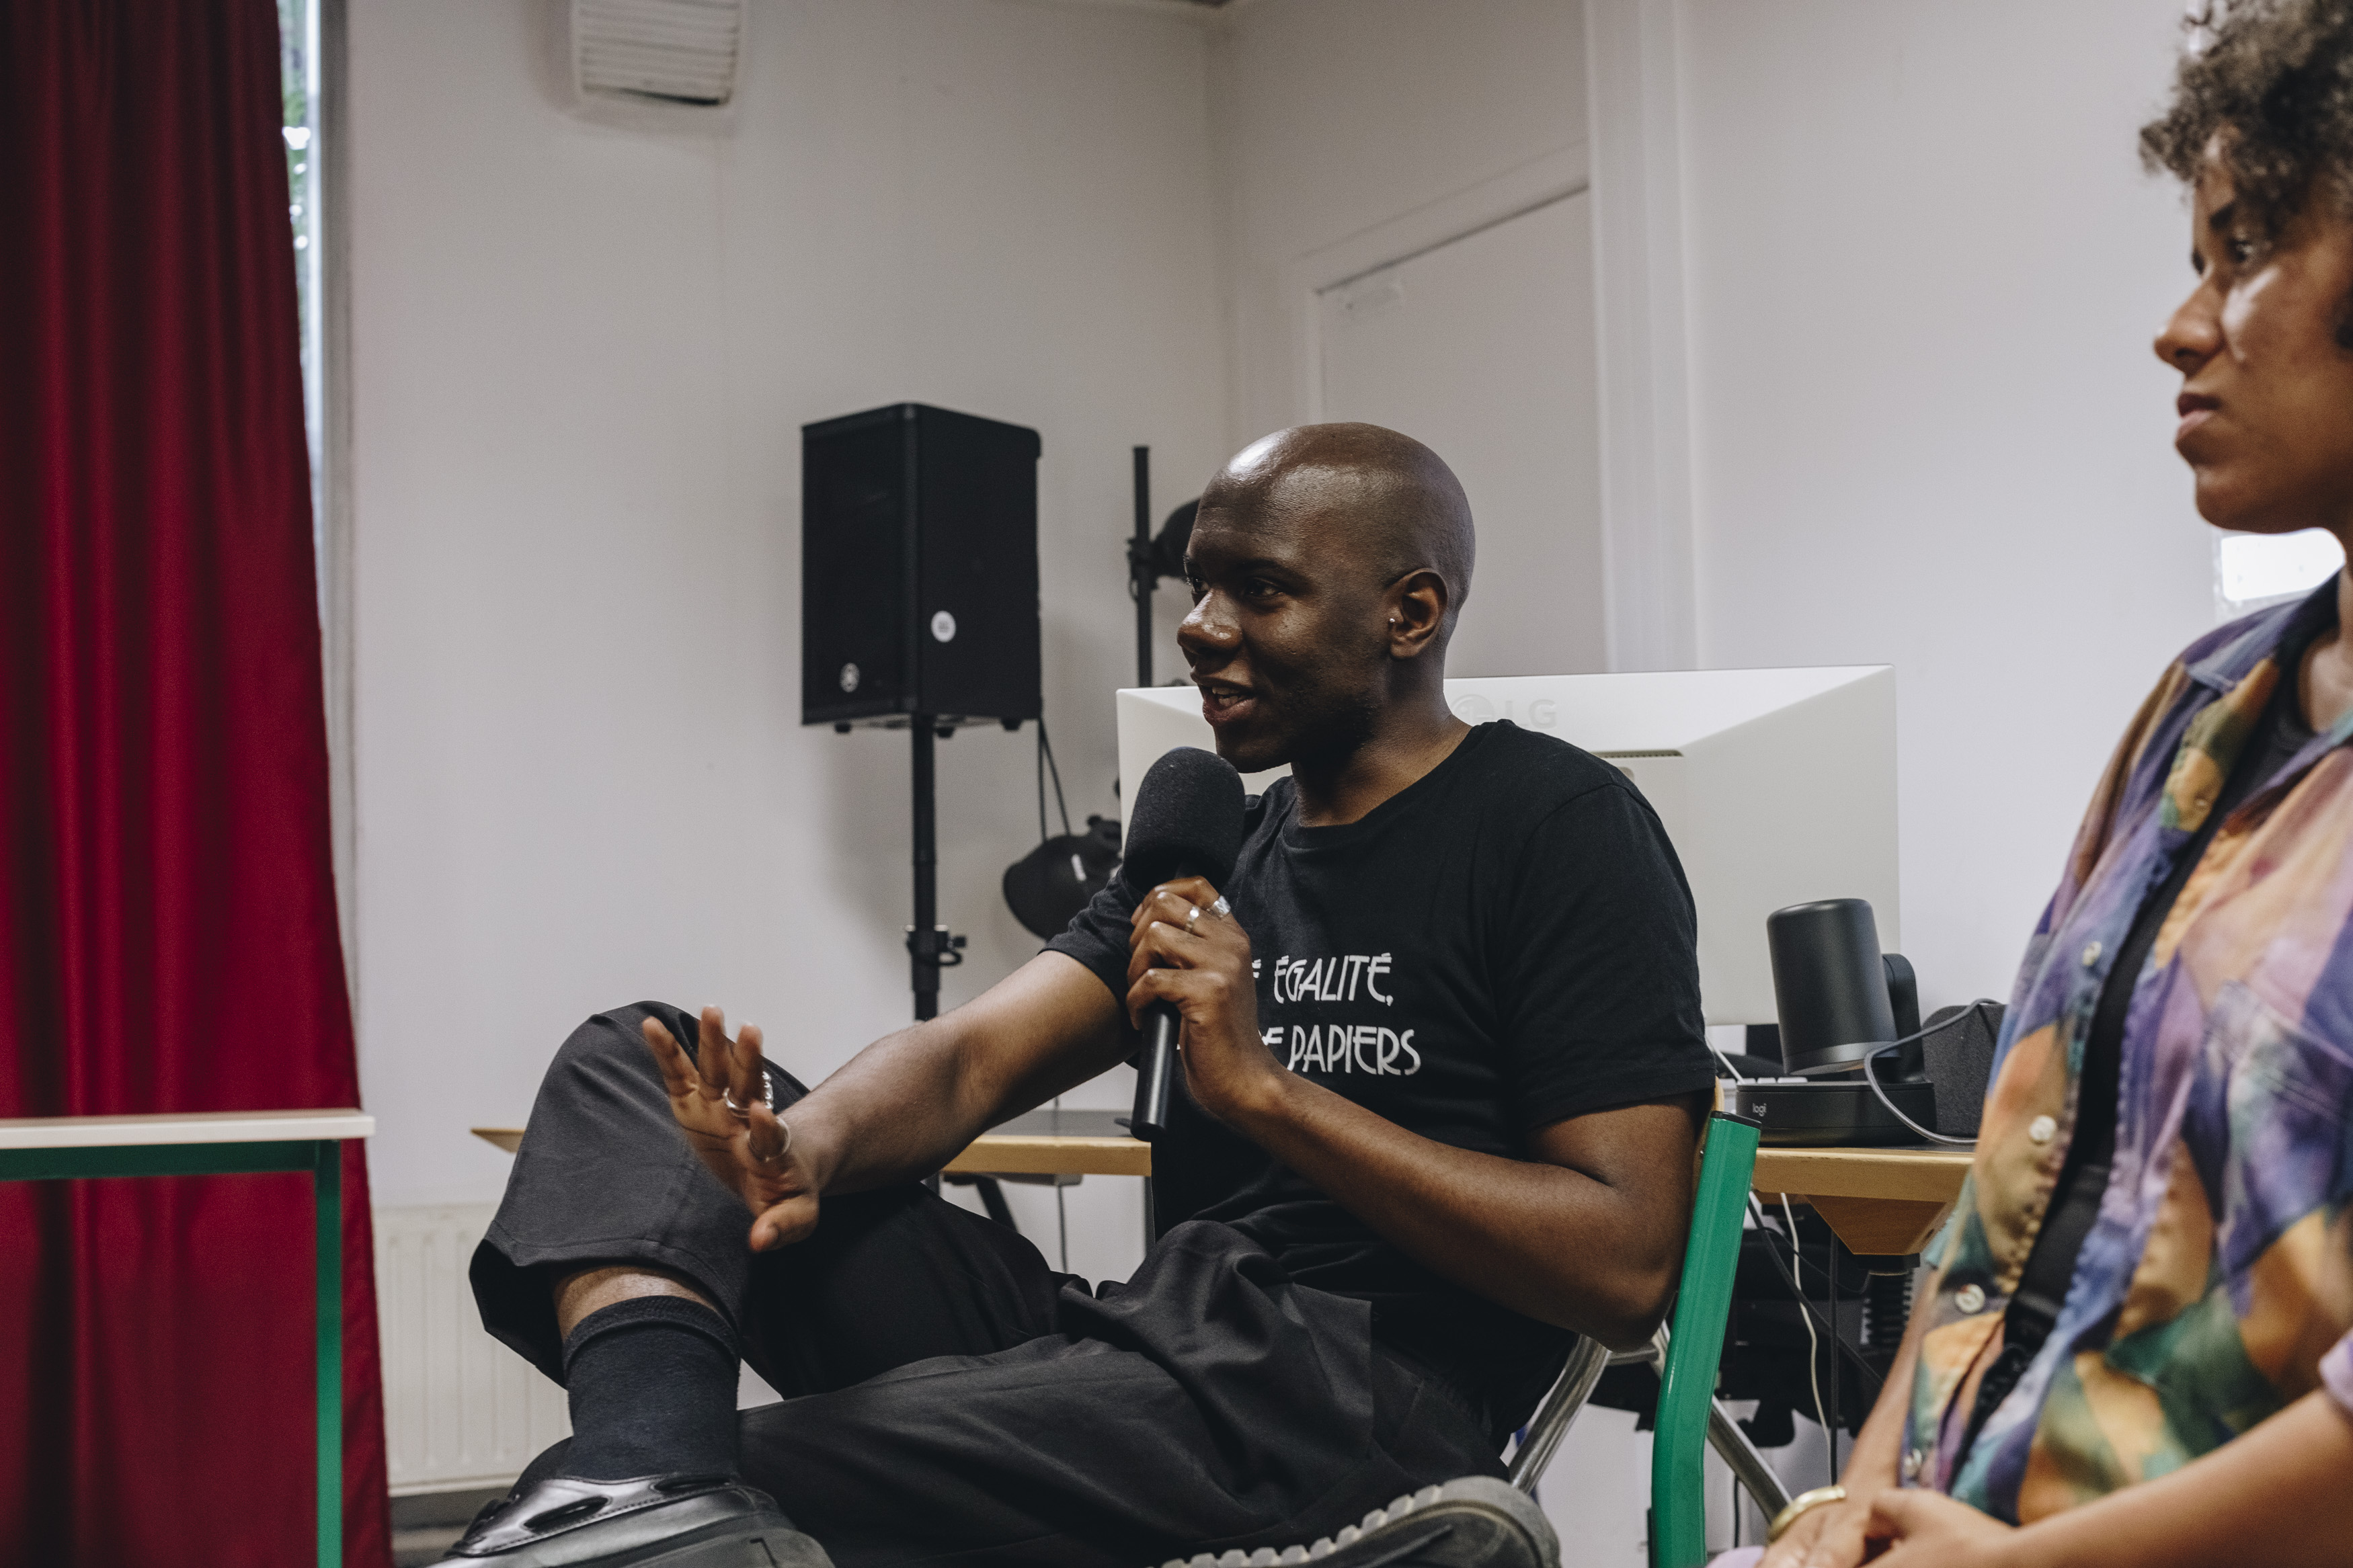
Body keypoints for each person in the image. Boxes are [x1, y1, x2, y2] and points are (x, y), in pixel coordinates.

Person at [442, 423, 1718, 1568]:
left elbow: (1622, 1267)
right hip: (1150, 1346)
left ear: (1411, 612)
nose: (1201, 626)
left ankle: (651, 1503)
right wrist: (802, 1148)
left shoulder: (1556, 825)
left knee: (750, 1484)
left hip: (1350, 1395)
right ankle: (641, 1475)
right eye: (1200, 585)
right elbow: (966, 1062)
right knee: (630, 1063)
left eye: (1261, 589)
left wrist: (1268, 1094)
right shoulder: (1214, 851)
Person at [1750, 5, 2353, 1565]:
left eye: (2241, 253)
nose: (2178, 326)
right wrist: (1849, 1503)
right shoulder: (2203, 705)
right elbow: (2000, 1207)